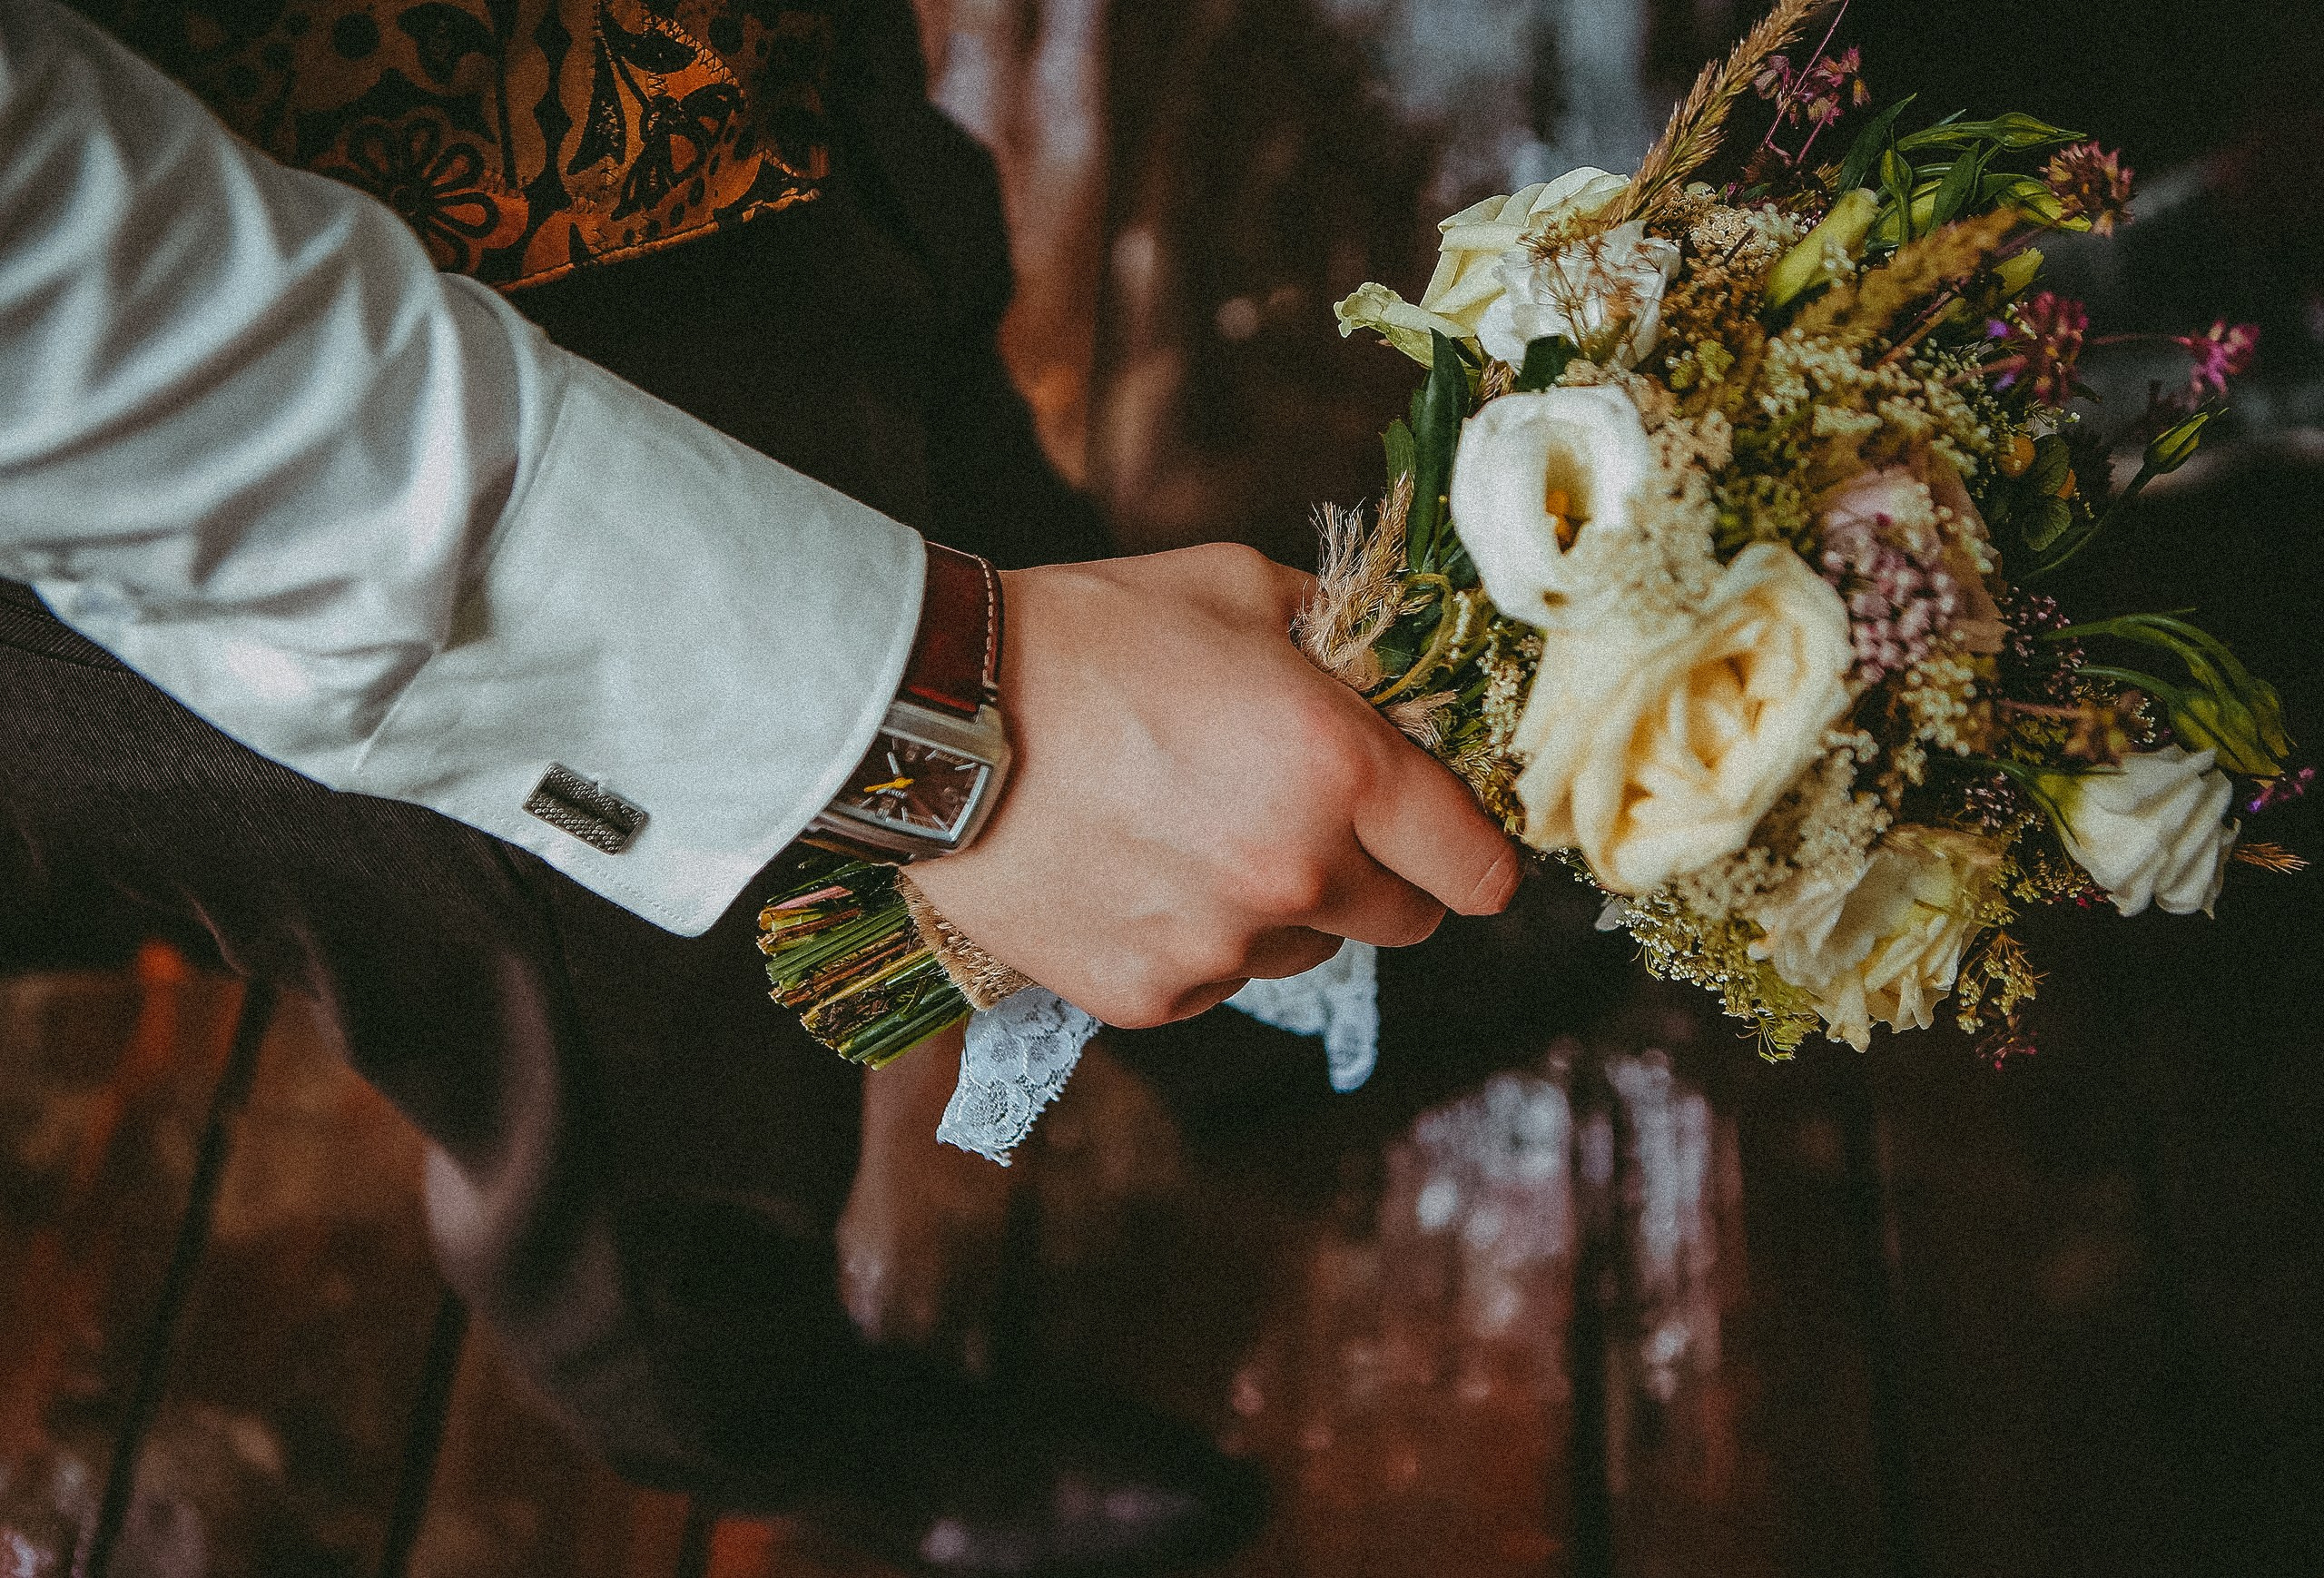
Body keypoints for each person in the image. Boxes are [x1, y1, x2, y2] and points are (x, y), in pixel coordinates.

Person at [0, 0, 1520, 1568]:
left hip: (742, 107)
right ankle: (779, 1427)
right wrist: (943, 707)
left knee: (981, 484)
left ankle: (1259, 991)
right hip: (295, 495)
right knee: (639, 1084)